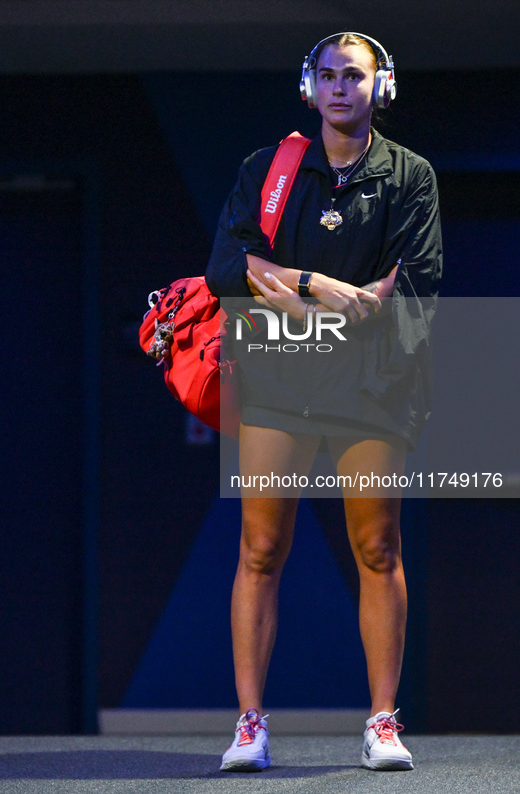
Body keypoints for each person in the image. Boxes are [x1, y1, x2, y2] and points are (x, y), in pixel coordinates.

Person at [205, 32, 442, 773]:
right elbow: (225, 270)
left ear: (382, 87)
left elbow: (409, 289)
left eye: (355, 77)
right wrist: (318, 287)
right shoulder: (266, 171)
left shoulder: (409, 175)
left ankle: (380, 720)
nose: (341, 88)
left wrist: (284, 283)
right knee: (260, 549)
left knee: (376, 547)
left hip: (373, 384)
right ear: (308, 88)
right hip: (279, 379)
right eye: (328, 77)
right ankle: (249, 724)